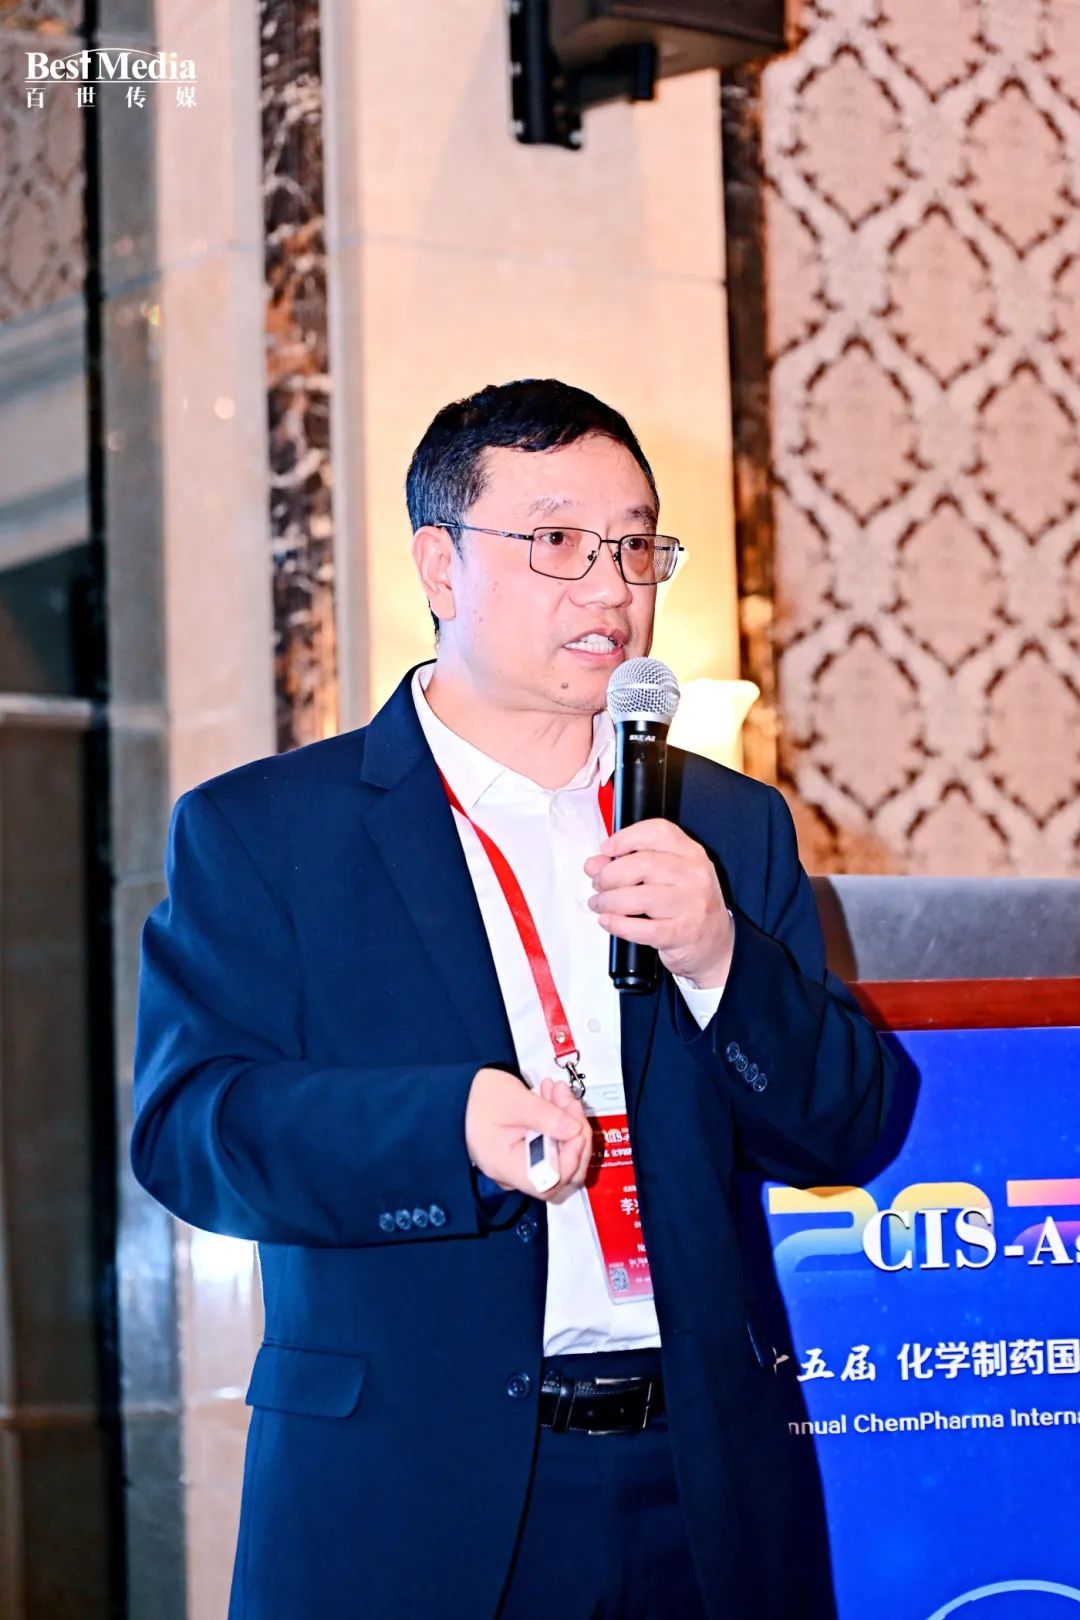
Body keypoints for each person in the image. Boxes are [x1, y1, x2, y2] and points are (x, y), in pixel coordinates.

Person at [132, 378, 896, 1619]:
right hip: (412, 1497)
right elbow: (192, 1131)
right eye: (556, 542)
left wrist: (720, 959)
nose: (611, 587)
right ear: (440, 565)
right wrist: (445, 1129)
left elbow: (846, 1127)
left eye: (635, 546)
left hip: (703, 1483)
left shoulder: (726, 823)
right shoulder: (268, 833)